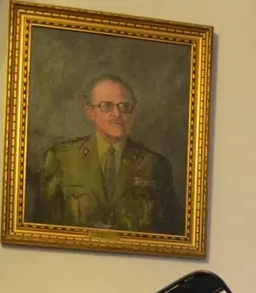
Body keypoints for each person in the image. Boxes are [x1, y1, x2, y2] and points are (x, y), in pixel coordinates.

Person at [36, 74, 182, 234]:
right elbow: (42, 226)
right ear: (90, 112)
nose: (117, 115)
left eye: (124, 106)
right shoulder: (62, 158)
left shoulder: (155, 165)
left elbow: (169, 232)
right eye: (106, 106)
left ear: (133, 113)